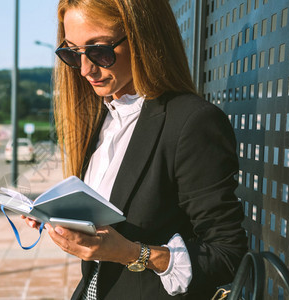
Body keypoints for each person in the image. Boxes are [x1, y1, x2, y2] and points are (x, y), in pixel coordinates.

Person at [22, 0, 248, 299]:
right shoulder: (102, 118)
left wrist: (132, 253)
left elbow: (227, 256)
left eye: (99, 51)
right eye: (72, 54)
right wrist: (60, 214)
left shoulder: (192, 122)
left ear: (143, 38)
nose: (85, 70)